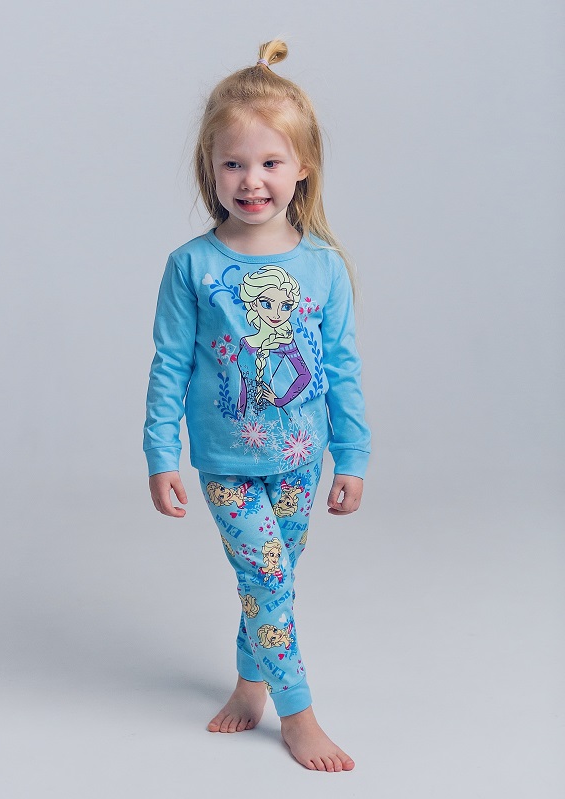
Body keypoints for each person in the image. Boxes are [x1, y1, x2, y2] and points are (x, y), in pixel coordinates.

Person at [143, 39, 371, 772]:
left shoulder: (323, 266)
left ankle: (250, 683)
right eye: (234, 164)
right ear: (210, 168)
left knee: (273, 579)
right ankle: (298, 712)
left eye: (270, 162)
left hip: (302, 459)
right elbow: (170, 365)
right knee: (267, 577)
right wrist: (160, 454)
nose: (251, 181)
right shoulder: (192, 265)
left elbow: (341, 366)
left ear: (302, 167)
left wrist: (353, 455)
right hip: (226, 460)